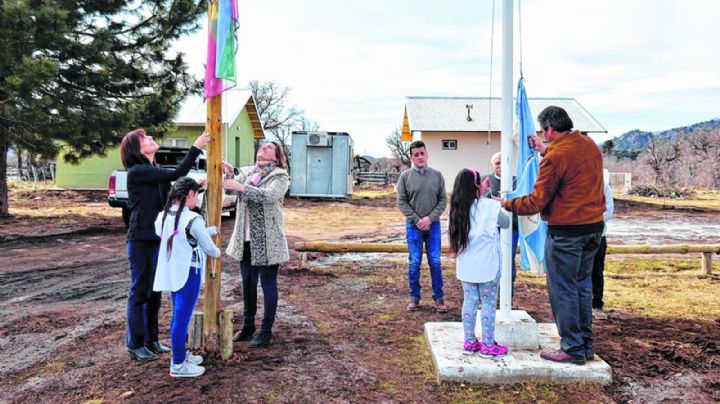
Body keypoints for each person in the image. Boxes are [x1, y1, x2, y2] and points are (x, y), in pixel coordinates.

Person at [501, 106, 605, 365]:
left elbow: (536, 202)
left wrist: (507, 203)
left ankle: (571, 347)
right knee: (582, 288)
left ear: (549, 129)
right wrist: (545, 149)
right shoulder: (589, 145)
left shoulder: (555, 158)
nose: (542, 136)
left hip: (566, 234)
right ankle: (584, 345)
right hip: (593, 230)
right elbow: (569, 161)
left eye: (543, 132)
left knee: (564, 291)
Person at [120, 128, 210, 362]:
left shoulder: (154, 171)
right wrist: (196, 146)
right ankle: (136, 343)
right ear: (137, 148)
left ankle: (152, 340)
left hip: (158, 239)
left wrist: (197, 188)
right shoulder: (138, 172)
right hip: (141, 240)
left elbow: (172, 200)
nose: (151, 139)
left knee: (155, 291)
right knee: (140, 292)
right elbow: (178, 172)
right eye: (145, 139)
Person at [223, 141, 290, 348]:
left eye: (268, 148)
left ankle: (266, 331)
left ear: (277, 157)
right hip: (246, 240)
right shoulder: (249, 172)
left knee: (268, 285)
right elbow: (233, 191)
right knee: (248, 284)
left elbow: (269, 196)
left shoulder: (280, 176)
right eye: (261, 147)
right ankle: (248, 325)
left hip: (269, 242)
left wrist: (241, 186)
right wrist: (228, 177)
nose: (263, 149)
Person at [153, 177, 221, 378]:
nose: (197, 199)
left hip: (172, 271)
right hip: (188, 272)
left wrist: (207, 232)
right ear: (190, 194)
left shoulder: (163, 216)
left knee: (178, 316)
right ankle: (178, 364)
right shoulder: (192, 218)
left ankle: (181, 355)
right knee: (181, 318)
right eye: (197, 195)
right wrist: (217, 251)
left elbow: (180, 235)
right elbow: (207, 247)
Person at [449, 168, 510, 357]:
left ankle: (469, 342)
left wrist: (481, 193)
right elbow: (506, 222)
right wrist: (489, 197)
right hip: (488, 265)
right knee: (488, 304)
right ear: (477, 186)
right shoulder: (489, 206)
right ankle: (488, 345)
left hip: (467, 265)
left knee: (469, 303)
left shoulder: (456, 210)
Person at [396, 140, 448, 313]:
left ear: (427, 155)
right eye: (416, 154)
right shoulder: (404, 177)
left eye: (422, 153)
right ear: (411, 157)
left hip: (433, 226)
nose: (420, 157)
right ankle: (414, 297)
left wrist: (430, 219)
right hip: (413, 226)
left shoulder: (437, 176)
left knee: (435, 261)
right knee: (414, 262)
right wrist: (418, 219)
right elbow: (402, 202)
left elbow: (443, 200)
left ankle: (439, 298)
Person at [482, 152, 520, 304]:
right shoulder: (485, 181)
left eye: (503, 163)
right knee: (489, 263)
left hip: (511, 230)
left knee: (508, 263)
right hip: (490, 232)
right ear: (492, 165)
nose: (500, 166)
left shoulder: (516, 182)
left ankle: (507, 299)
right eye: (497, 163)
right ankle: (488, 297)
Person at [592, 169, 614, 320]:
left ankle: (596, 304)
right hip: (575, 234)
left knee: (597, 271)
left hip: (598, 235)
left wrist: (589, 222)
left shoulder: (603, 185)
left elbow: (608, 211)